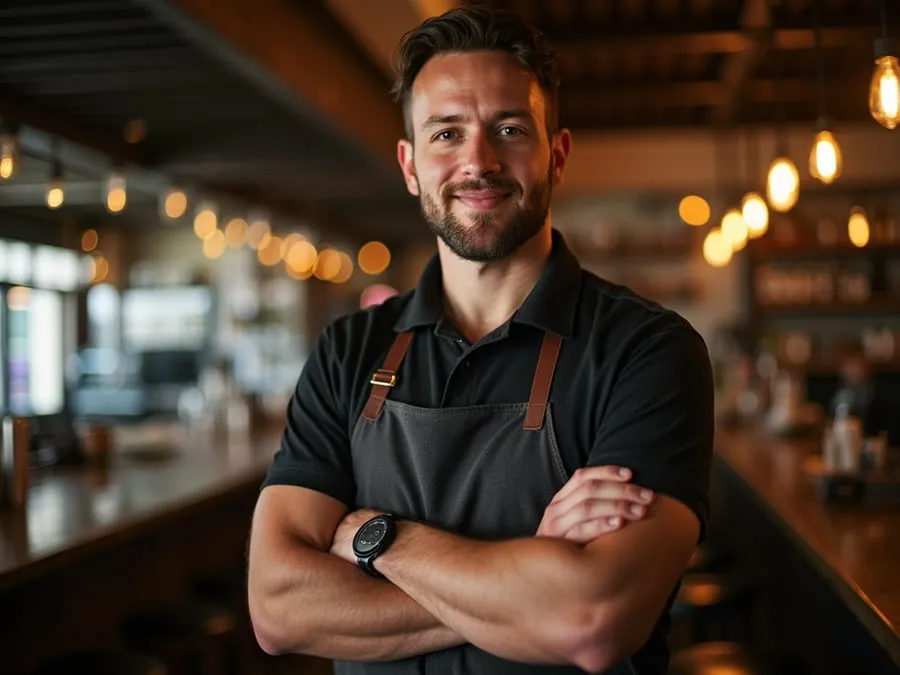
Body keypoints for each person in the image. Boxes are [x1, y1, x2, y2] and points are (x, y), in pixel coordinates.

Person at [248, 6, 714, 674]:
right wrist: (528, 577)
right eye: (446, 133)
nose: (478, 160)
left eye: (509, 128)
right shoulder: (349, 351)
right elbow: (277, 605)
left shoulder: (647, 351)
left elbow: (589, 618)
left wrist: (376, 539)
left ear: (556, 154)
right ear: (410, 166)